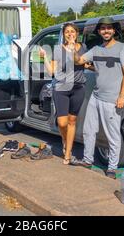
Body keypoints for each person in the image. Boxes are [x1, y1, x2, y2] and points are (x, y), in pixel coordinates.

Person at [72, 17, 124, 179]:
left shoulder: (122, 48)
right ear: (99, 31)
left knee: (112, 135)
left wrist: (122, 96)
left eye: (109, 28)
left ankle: (112, 168)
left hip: (112, 99)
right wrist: (72, 46)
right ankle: (87, 160)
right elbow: (79, 60)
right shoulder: (96, 49)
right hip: (96, 96)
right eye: (103, 28)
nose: (106, 31)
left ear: (114, 31)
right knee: (88, 130)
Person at [39, 23, 93, 165]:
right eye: (67, 32)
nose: (70, 34)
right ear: (64, 34)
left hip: (78, 87)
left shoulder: (83, 47)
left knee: (72, 121)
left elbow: (84, 62)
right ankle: (64, 139)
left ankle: (68, 153)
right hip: (61, 88)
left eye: (72, 32)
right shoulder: (58, 49)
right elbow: (51, 71)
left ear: (77, 33)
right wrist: (44, 57)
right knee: (62, 122)